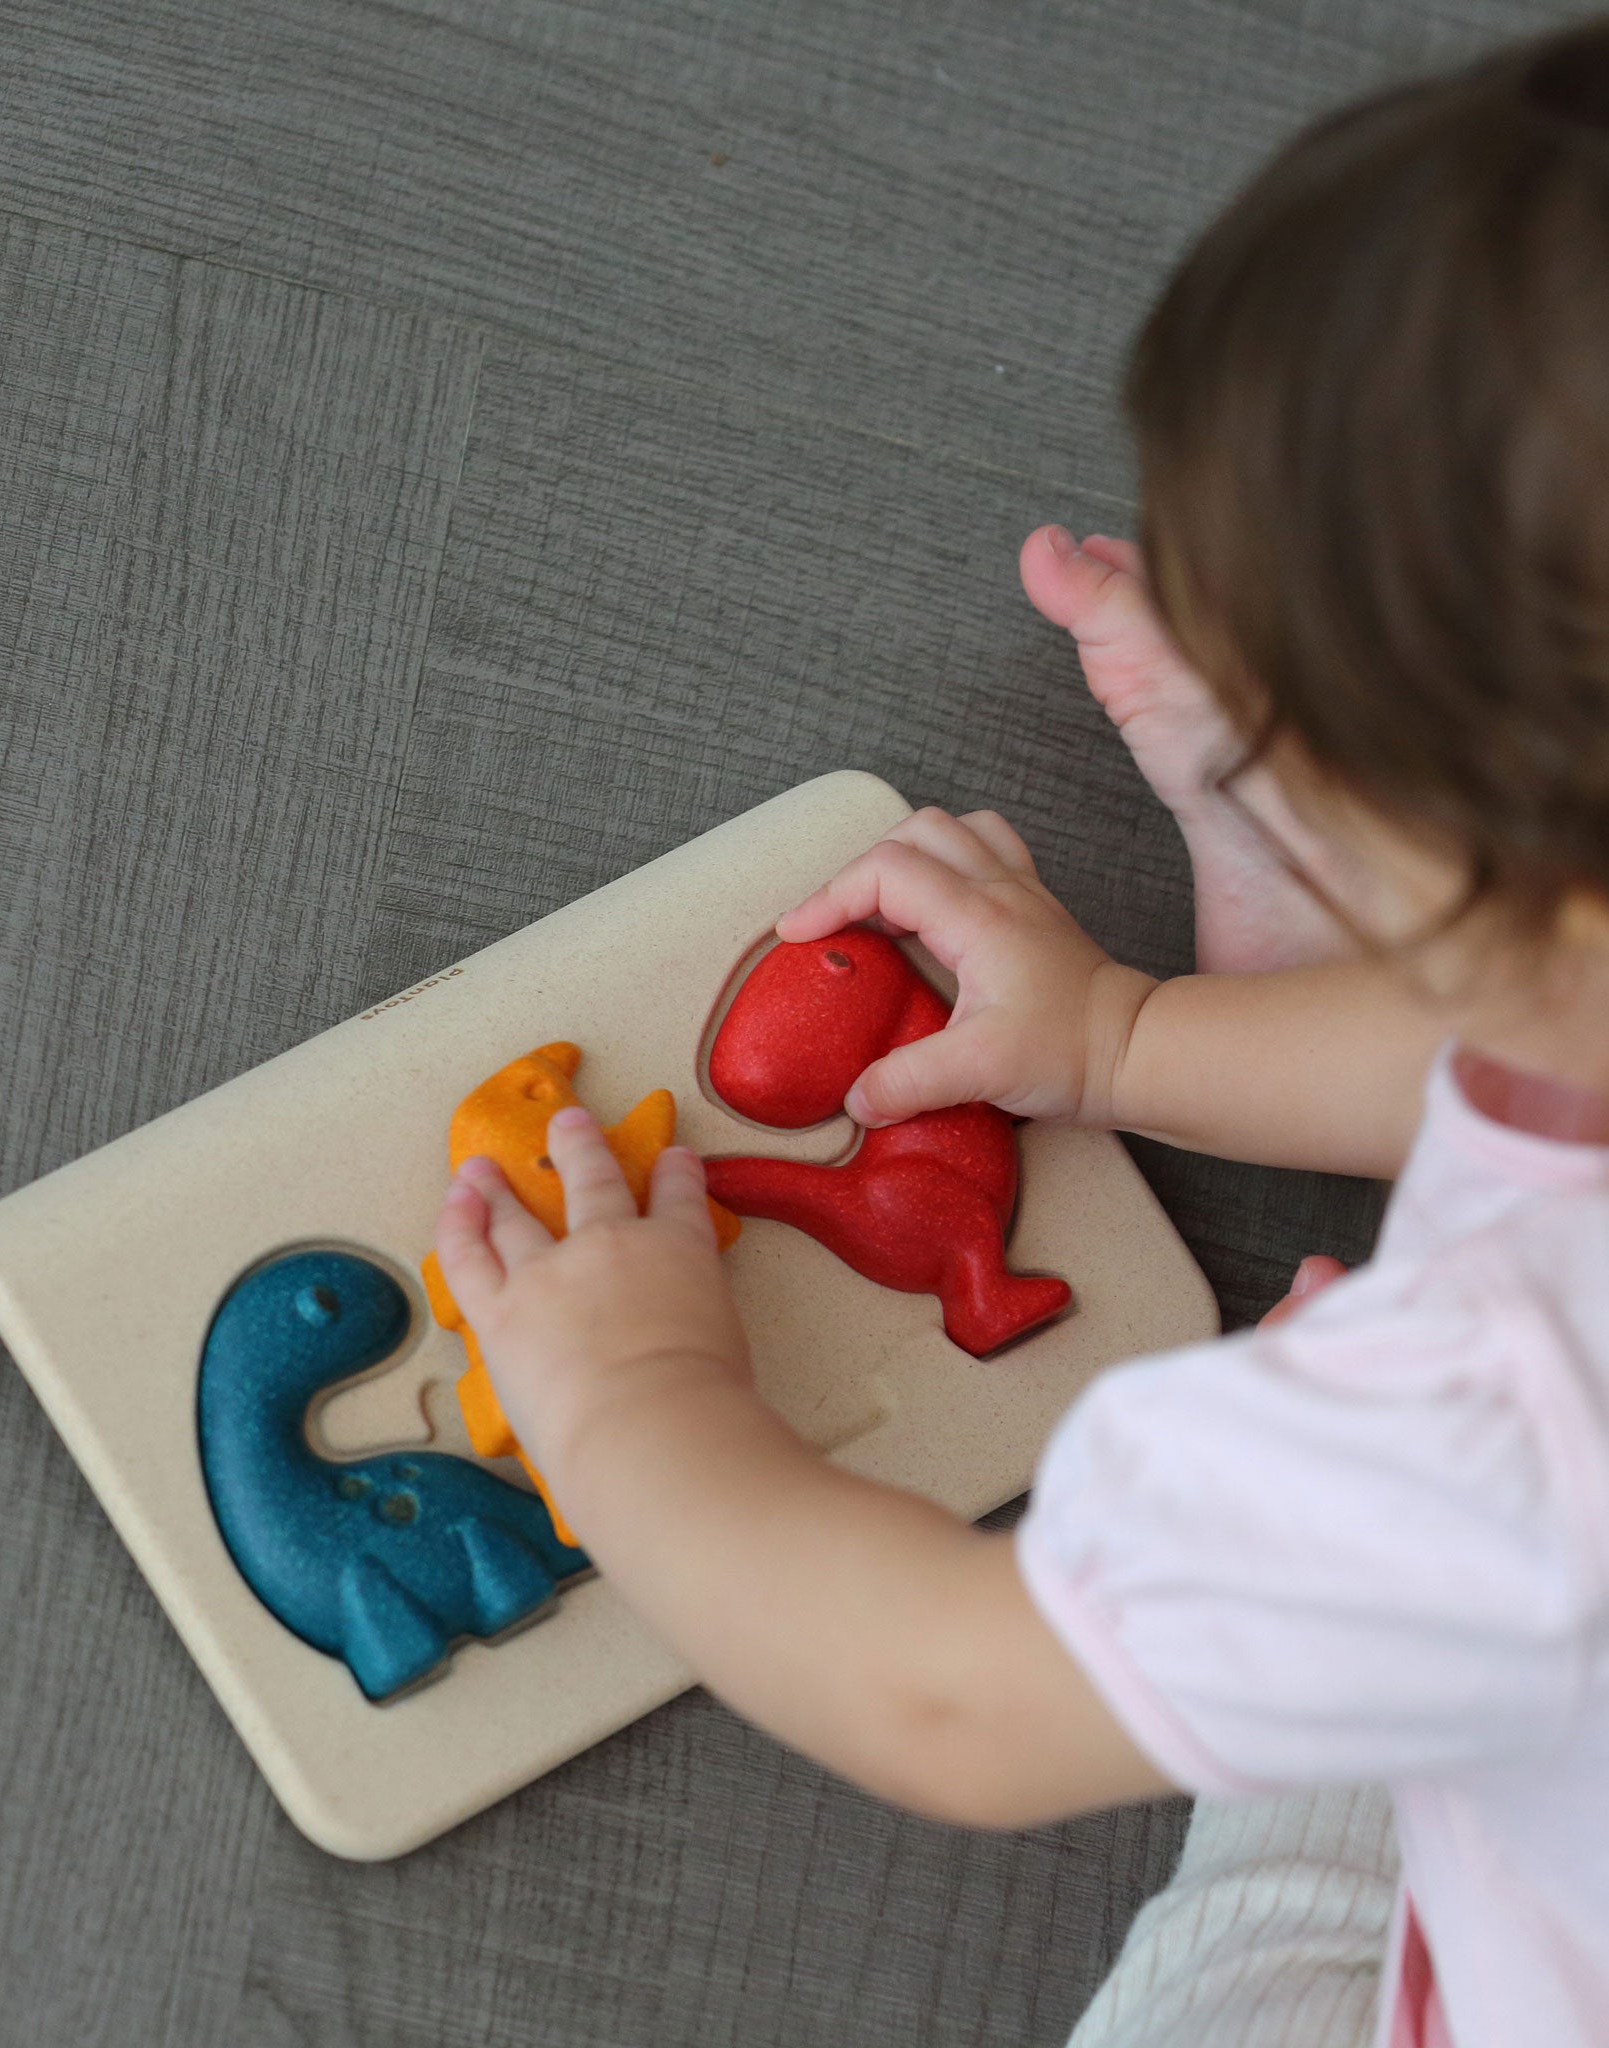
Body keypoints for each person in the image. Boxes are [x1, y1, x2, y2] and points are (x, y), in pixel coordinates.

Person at [432, 22, 1609, 2045]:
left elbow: (950, 1696)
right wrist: (1131, 1037)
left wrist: (631, 1410)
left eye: (1288, 710)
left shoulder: (1511, 1440)